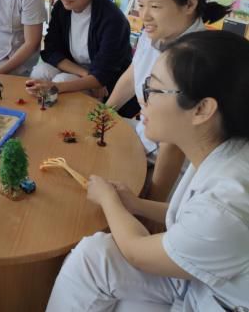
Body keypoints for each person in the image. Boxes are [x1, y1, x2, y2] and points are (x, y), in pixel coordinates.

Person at [46, 31, 249, 311]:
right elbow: (190, 219)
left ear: (202, 109)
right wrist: (136, 204)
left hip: (207, 300)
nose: (143, 100)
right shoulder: (223, 151)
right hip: (198, 284)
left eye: (154, 90)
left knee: (97, 256)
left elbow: (137, 252)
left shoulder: (226, 203)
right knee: (95, 255)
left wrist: (109, 200)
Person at [105, 0, 229, 201]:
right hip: (145, 137)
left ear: (189, 4)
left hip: (175, 167)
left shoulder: (196, 59)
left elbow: (173, 146)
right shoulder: (154, 32)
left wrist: (151, 202)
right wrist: (104, 112)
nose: (144, 15)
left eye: (155, 6)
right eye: (141, 5)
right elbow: (133, 74)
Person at [25, 0, 132, 101]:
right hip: (80, 71)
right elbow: (50, 50)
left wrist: (58, 86)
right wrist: (84, 73)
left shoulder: (112, 19)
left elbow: (103, 74)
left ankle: (56, 114)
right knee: (40, 72)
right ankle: (36, 111)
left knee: (61, 81)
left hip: (105, 84)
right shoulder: (61, 8)